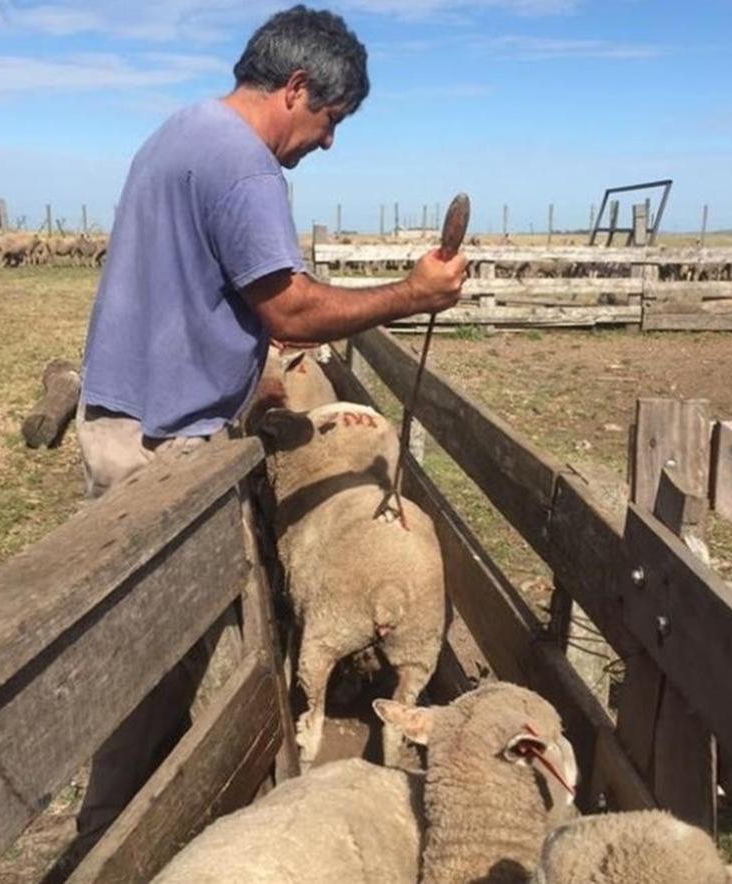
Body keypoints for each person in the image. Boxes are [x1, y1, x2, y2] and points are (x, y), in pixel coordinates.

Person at [72, 3, 467, 850]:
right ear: (296, 88)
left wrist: (247, 373)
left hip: (126, 418)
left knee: (151, 649)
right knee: (158, 654)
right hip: (162, 447)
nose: (328, 142)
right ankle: (128, 839)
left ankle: (133, 827)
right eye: (330, 120)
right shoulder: (246, 166)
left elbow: (229, 298)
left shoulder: (179, 132)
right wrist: (411, 296)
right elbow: (289, 304)